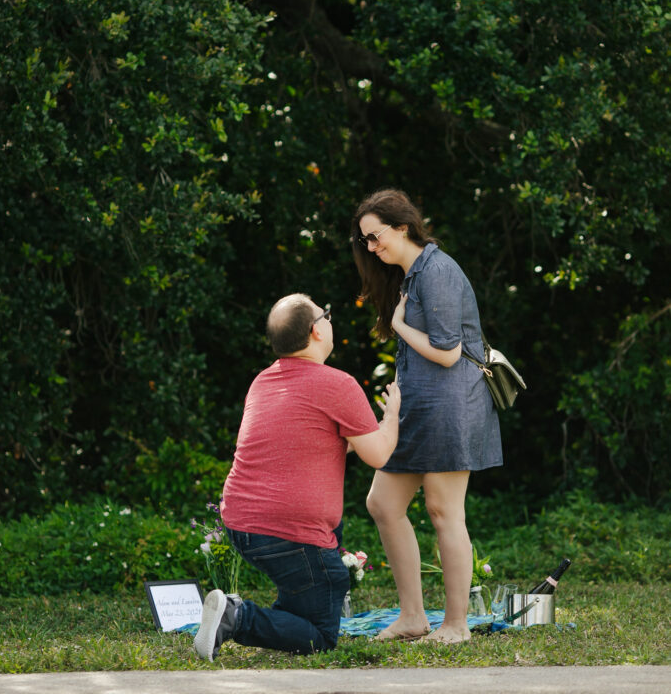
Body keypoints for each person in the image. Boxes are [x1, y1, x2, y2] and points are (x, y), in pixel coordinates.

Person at [193, 292, 401, 660]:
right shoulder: (338, 384)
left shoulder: (264, 381)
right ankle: (236, 617)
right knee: (321, 633)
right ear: (315, 331)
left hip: (241, 524)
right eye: (327, 315)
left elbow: (312, 443)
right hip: (287, 531)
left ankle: (262, 618)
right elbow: (379, 454)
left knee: (313, 588)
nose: (331, 320)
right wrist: (392, 417)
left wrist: (367, 433)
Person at [351, 188, 502, 644]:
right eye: (365, 242)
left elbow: (449, 352)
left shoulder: (436, 272)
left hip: (452, 403)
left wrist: (397, 326)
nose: (372, 248)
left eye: (376, 237)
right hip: (418, 407)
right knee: (382, 503)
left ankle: (456, 625)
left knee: (443, 510)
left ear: (402, 227)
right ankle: (413, 617)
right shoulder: (411, 275)